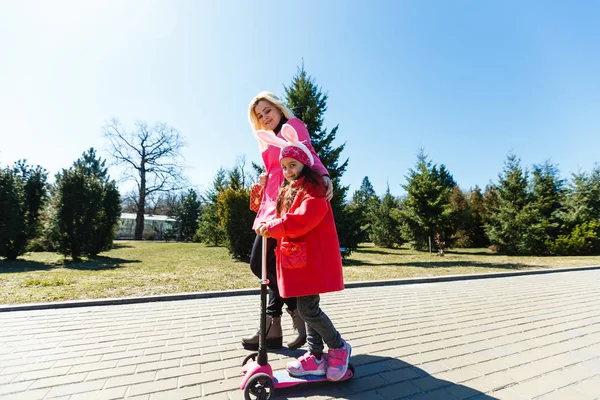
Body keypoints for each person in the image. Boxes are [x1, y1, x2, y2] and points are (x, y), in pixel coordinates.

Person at [254, 124, 351, 381]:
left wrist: (275, 227)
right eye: (284, 167)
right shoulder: (288, 189)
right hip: (296, 257)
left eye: (292, 166)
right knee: (305, 308)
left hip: (309, 257)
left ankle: (339, 347)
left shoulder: (313, 188)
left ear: (305, 165)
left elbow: (305, 217)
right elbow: (269, 209)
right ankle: (316, 356)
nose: (287, 171)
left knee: (309, 310)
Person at [242, 91, 333, 350]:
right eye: (259, 115)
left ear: (279, 108)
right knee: (266, 266)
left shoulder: (293, 126)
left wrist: (323, 175)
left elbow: (308, 153)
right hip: (271, 204)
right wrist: (264, 178)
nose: (264, 117)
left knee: (265, 266)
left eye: (267, 111)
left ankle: (298, 316)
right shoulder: (267, 139)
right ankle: (279, 325)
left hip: (289, 203)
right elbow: (275, 168)